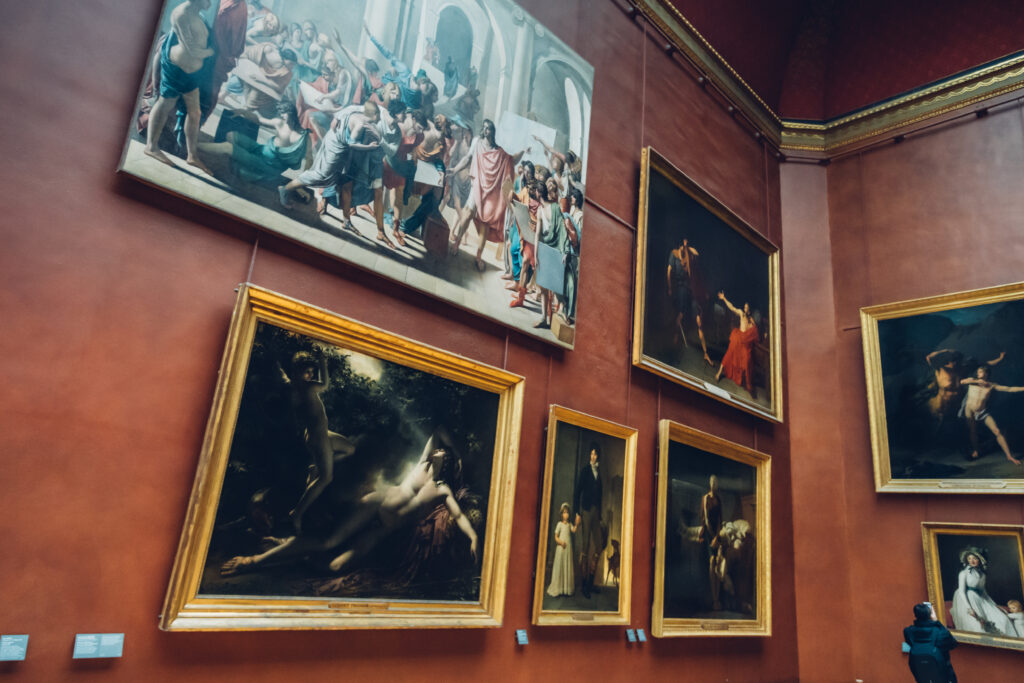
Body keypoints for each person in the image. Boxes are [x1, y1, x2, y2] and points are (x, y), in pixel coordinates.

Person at [220, 426, 478, 576]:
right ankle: (251, 561)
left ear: (448, 464)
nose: (438, 450)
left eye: (443, 452)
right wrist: (454, 449)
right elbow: (438, 430)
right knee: (328, 540)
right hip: (376, 502)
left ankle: (290, 549)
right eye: (438, 449)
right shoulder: (421, 465)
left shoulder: (441, 488)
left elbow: (458, 516)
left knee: (334, 566)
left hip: (382, 529)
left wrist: (473, 538)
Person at [279, 350, 355, 534]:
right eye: (308, 372)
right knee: (326, 478)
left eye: (313, 373)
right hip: (318, 438)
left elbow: (283, 377)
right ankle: (297, 514)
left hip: (320, 435)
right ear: (298, 371)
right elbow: (325, 384)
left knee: (350, 449)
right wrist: (322, 363)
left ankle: (316, 468)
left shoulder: (293, 385)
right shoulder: (306, 387)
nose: (311, 376)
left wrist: (279, 367)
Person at [277, 100, 381, 223]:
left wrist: (337, 118)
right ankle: (285, 189)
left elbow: (350, 107)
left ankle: (343, 215)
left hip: (335, 141)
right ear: (374, 114)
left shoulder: (357, 113)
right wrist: (370, 147)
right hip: (336, 146)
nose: (380, 117)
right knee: (320, 175)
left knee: (335, 176)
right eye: (379, 114)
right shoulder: (360, 124)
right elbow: (351, 144)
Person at [144, 0, 215, 175]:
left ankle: (192, 156)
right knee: (165, 104)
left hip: (191, 74)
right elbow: (191, 49)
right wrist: (210, 52)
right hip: (177, 70)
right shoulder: (181, 14)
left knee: (195, 113)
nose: (210, 2)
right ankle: (151, 147)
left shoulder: (197, 14)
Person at [447, 119, 527, 271]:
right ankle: (457, 242)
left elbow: (512, 161)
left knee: (485, 223)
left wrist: (523, 150)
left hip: (490, 191)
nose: (485, 131)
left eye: (488, 128)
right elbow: (468, 159)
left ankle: (479, 255)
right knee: (467, 213)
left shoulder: (498, 151)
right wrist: (455, 169)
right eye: (483, 128)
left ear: (492, 131)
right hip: (477, 185)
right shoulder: (477, 143)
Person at [197, 98, 310, 182]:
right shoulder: (279, 123)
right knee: (231, 135)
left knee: (227, 147)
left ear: (292, 113)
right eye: (281, 114)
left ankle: (193, 146)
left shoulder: (302, 136)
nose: (283, 116)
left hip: (268, 165)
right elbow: (259, 120)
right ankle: (240, 160)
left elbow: (308, 160)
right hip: (260, 150)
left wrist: (301, 182)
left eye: (285, 113)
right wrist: (243, 112)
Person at [958, 364, 1024, 464]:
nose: (978, 373)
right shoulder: (972, 381)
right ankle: (976, 450)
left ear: (986, 373)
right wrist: (977, 381)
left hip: (982, 412)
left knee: (997, 431)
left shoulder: (991, 385)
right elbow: (962, 381)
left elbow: (1009, 389)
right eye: (978, 371)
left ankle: (1009, 456)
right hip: (969, 411)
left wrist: (1023, 388)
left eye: (980, 371)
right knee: (973, 431)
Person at [949, 547, 1015, 636]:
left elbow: (983, 592)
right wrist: (969, 608)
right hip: (965, 599)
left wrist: (994, 606)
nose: (971, 561)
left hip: (979, 598)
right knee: (979, 626)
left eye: (974, 558)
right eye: (969, 559)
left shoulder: (982, 575)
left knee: (1002, 619)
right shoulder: (963, 573)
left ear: (980, 560)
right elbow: (961, 591)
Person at [667, 237, 712, 366]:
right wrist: (670, 287)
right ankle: (675, 341)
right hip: (681, 288)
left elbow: (697, 253)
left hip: (691, 289)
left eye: (685, 247)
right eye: (682, 247)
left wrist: (688, 247)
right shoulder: (674, 254)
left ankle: (705, 353)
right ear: (679, 246)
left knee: (699, 321)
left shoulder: (690, 255)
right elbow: (669, 272)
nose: (683, 250)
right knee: (680, 316)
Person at [925, 348, 1005, 419]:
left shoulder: (964, 369)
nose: (955, 362)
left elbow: (986, 364)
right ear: (949, 360)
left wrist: (1000, 358)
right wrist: (947, 351)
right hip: (939, 407)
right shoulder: (941, 370)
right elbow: (929, 358)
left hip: (955, 410)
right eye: (953, 360)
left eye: (957, 360)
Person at [573, 443, 603, 598]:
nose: (593, 457)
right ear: (589, 455)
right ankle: (584, 585)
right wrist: (577, 512)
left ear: (598, 456)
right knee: (584, 548)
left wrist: (600, 516)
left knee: (599, 546)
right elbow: (577, 492)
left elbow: (600, 496)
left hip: (596, 513)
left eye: (595, 454)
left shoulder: (599, 472)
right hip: (584, 511)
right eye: (591, 454)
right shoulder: (585, 471)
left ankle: (591, 582)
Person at [715, 291, 759, 393]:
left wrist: (751, 326)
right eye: (745, 307)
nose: (745, 309)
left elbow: (753, 332)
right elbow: (732, 308)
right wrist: (724, 298)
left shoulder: (751, 320)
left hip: (744, 342)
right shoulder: (741, 313)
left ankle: (745, 381)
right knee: (729, 354)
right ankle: (718, 373)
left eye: (747, 308)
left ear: (750, 309)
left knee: (745, 359)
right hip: (737, 338)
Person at [904, 602, 959, 683]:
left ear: (916, 615)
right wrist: (936, 621)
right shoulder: (939, 632)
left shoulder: (908, 631)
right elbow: (953, 643)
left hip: (921, 676)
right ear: (930, 615)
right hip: (944, 676)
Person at [699, 474, 724, 610]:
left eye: (716, 482)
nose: (714, 484)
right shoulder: (705, 498)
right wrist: (710, 536)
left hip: (717, 534)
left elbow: (720, 519)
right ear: (709, 484)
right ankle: (714, 599)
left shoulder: (719, 500)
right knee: (711, 561)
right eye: (712, 482)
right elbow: (705, 519)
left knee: (718, 563)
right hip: (708, 533)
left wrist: (717, 537)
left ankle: (718, 598)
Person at [545, 503, 578, 598]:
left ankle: (566, 589)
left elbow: (574, 530)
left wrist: (577, 523)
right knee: (560, 566)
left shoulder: (569, 524)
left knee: (566, 565)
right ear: (561, 514)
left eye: (567, 513)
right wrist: (560, 542)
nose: (566, 515)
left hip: (568, 548)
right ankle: (558, 588)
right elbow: (556, 537)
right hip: (561, 548)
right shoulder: (559, 524)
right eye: (564, 513)